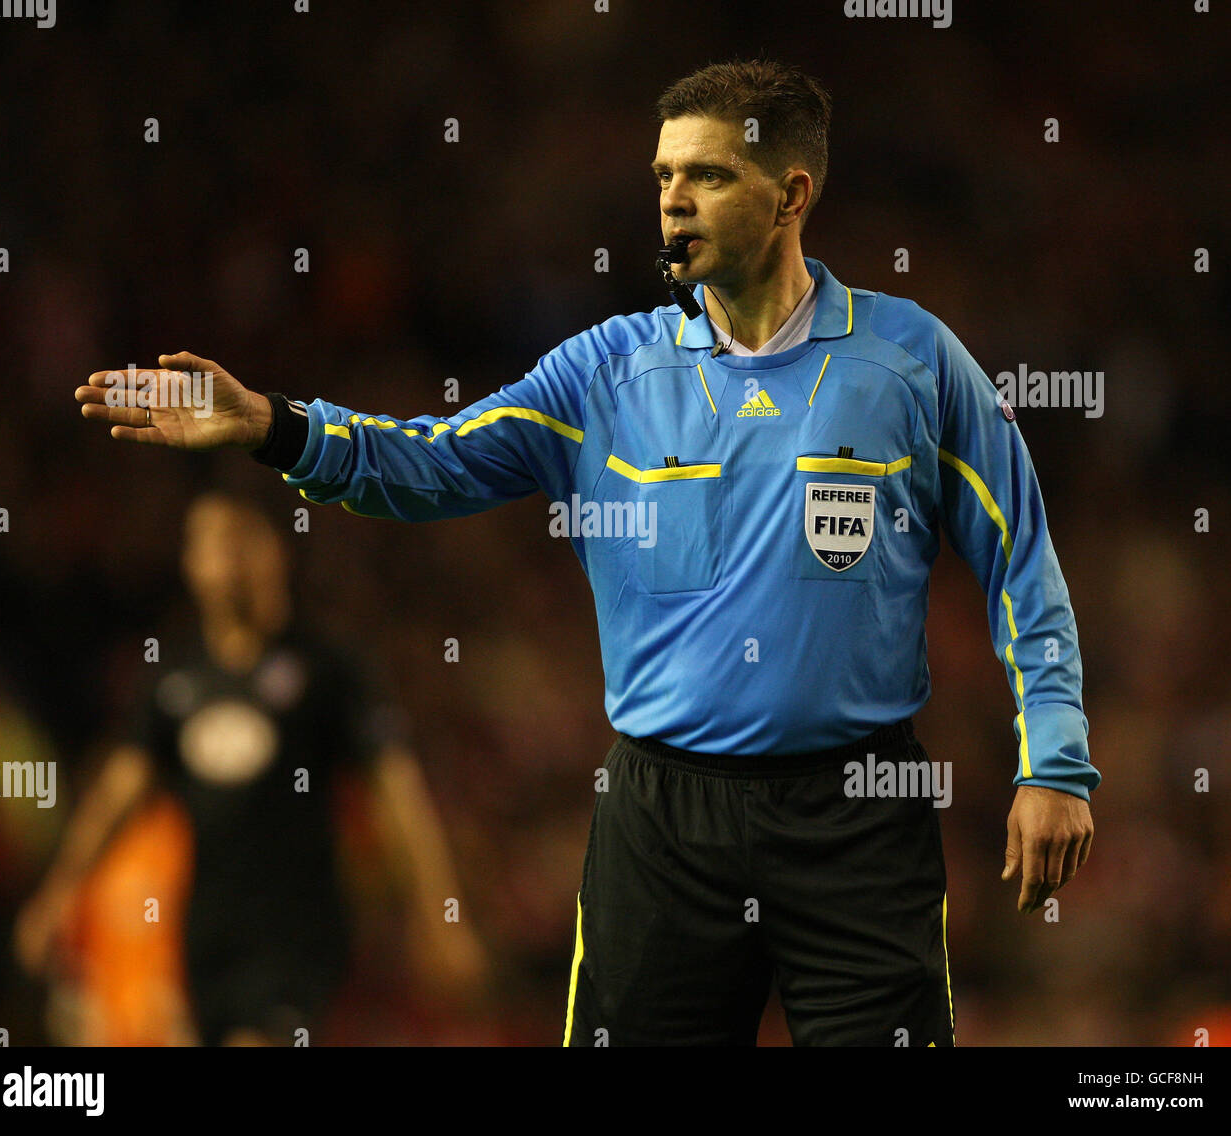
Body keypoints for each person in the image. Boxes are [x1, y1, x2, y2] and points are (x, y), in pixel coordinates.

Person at [74, 59, 1097, 1047]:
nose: (673, 200)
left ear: (791, 194)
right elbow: (428, 463)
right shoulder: (601, 373)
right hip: (663, 822)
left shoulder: (909, 361)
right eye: (662, 176)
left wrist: (1051, 758)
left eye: (706, 174)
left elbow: (1021, 556)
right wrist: (271, 424)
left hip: (857, 812)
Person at [16, 493, 486, 1045]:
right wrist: (58, 894)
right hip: (205, 935)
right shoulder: (174, 681)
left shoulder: (329, 669)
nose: (224, 557)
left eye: (239, 538)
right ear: (190, 563)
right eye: (207, 543)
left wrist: (438, 913)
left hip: (297, 934)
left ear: (276, 550)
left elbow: (398, 794)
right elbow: (115, 797)